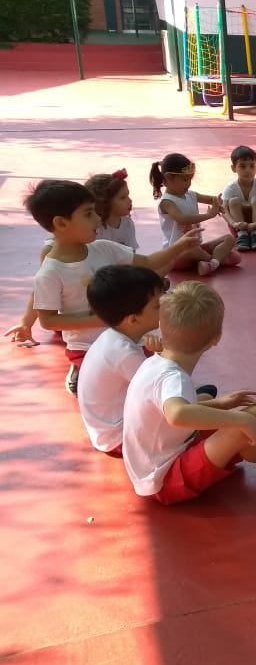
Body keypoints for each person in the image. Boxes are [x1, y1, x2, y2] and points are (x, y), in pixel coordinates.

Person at [121, 282, 256, 505]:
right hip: (164, 480)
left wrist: (222, 405)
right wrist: (239, 418)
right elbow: (177, 415)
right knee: (240, 429)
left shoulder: (155, 364)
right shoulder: (173, 378)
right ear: (216, 338)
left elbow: (173, 414)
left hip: (173, 451)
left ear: (161, 325)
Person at [25, 180, 200, 394]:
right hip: (88, 347)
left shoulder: (103, 248)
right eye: (89, 214)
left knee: (160, 368)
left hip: (129, 338)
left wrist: (179, 246)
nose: (98, 219)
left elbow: (147, 262)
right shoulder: (50, 272)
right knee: (131, 383)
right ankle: (79, 368)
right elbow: (48, 320)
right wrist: (102, 319)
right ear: (61, 223)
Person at [77, 265, 216, 456]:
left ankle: (200, 401)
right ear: (133, 320)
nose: (166, 306)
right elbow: (159, 386)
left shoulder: (115, 338)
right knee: (198, 405)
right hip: (119, 438)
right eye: (157, 306)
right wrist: (165, 354)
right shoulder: (123, 353)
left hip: (106, 430)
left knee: (202, 397)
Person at [6, 169, 148, 347]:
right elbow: (42, 292)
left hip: (106, 310)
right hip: (79, 321)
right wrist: (27, 322)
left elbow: (136, 266)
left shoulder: (121, 227)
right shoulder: (58, 251)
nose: (129, 201)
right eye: (122, 197)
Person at [149, 152, 241, 276]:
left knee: (229, 239)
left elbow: (211, 199)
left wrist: (217, 202)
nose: (188, 183)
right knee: (193, 250)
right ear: (169, 177)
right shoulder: (167, 202)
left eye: (190, 179)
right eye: (185, 179)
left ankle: (209, 263)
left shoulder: (190, 195)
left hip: (197, 247)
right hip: (176, 254)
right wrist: (209, 215)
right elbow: (183, 219)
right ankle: (217, 260)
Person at [221, 145, 256, 252]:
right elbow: (224, 209)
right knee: (233, 201)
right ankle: (242, 236)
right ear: (233, 168)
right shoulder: (230, 188)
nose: (247, 170)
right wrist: (234, 223)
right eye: (242, 166)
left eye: (251, 166)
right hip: (239, 227)